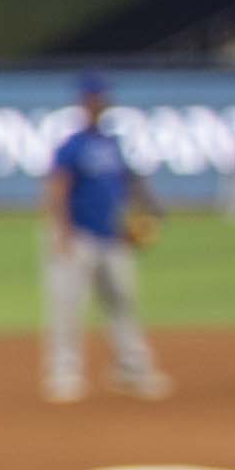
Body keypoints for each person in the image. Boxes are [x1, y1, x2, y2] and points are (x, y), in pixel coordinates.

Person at [44, 72, 170, 401]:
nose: (100, 103)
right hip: (79, 235)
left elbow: (130, 182)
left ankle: (133, 369)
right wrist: (62, 232)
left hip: (113, 237)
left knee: (123, 303)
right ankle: (64, 372)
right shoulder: (71, 147)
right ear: (84, 102)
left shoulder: (112, 143)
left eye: (103, 97)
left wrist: (149, 206)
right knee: (68, 306)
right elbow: (58, 189)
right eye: (95, 98)